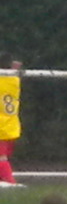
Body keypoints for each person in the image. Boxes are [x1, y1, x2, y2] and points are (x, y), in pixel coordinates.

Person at [0, 52, 23, 185]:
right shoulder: (14, 80)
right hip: (12, 126)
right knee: (4, 157)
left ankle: (11, 183)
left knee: (1, 159)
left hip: (1, 128)